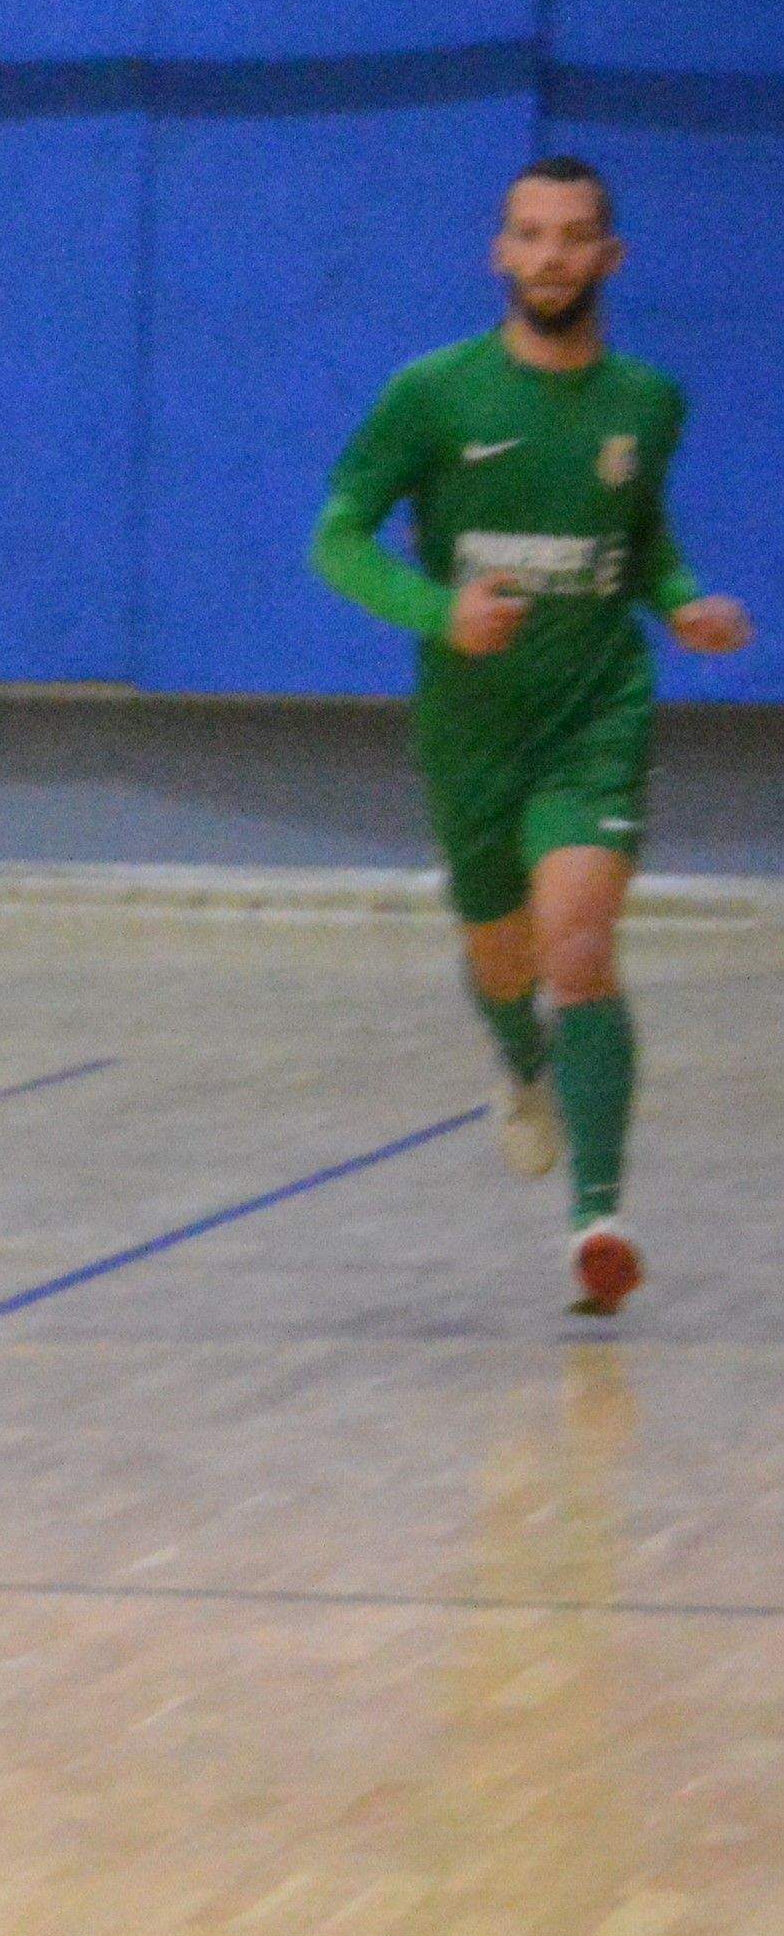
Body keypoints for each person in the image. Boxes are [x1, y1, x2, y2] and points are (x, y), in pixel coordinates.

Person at [314, 157, 748, 1315]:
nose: (550, 257)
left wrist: (685, 600)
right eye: (529, 235)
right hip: (470, 732)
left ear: (608, 258)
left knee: (576, 947)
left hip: (595, 716)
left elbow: (640, 539)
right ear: (498, 254)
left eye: (572, 238)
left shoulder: (646, 401)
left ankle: (598, 1223)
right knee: (503, 961)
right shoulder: (434, 395)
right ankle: (520, 1068)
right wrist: (436, 611)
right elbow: (338, 538)